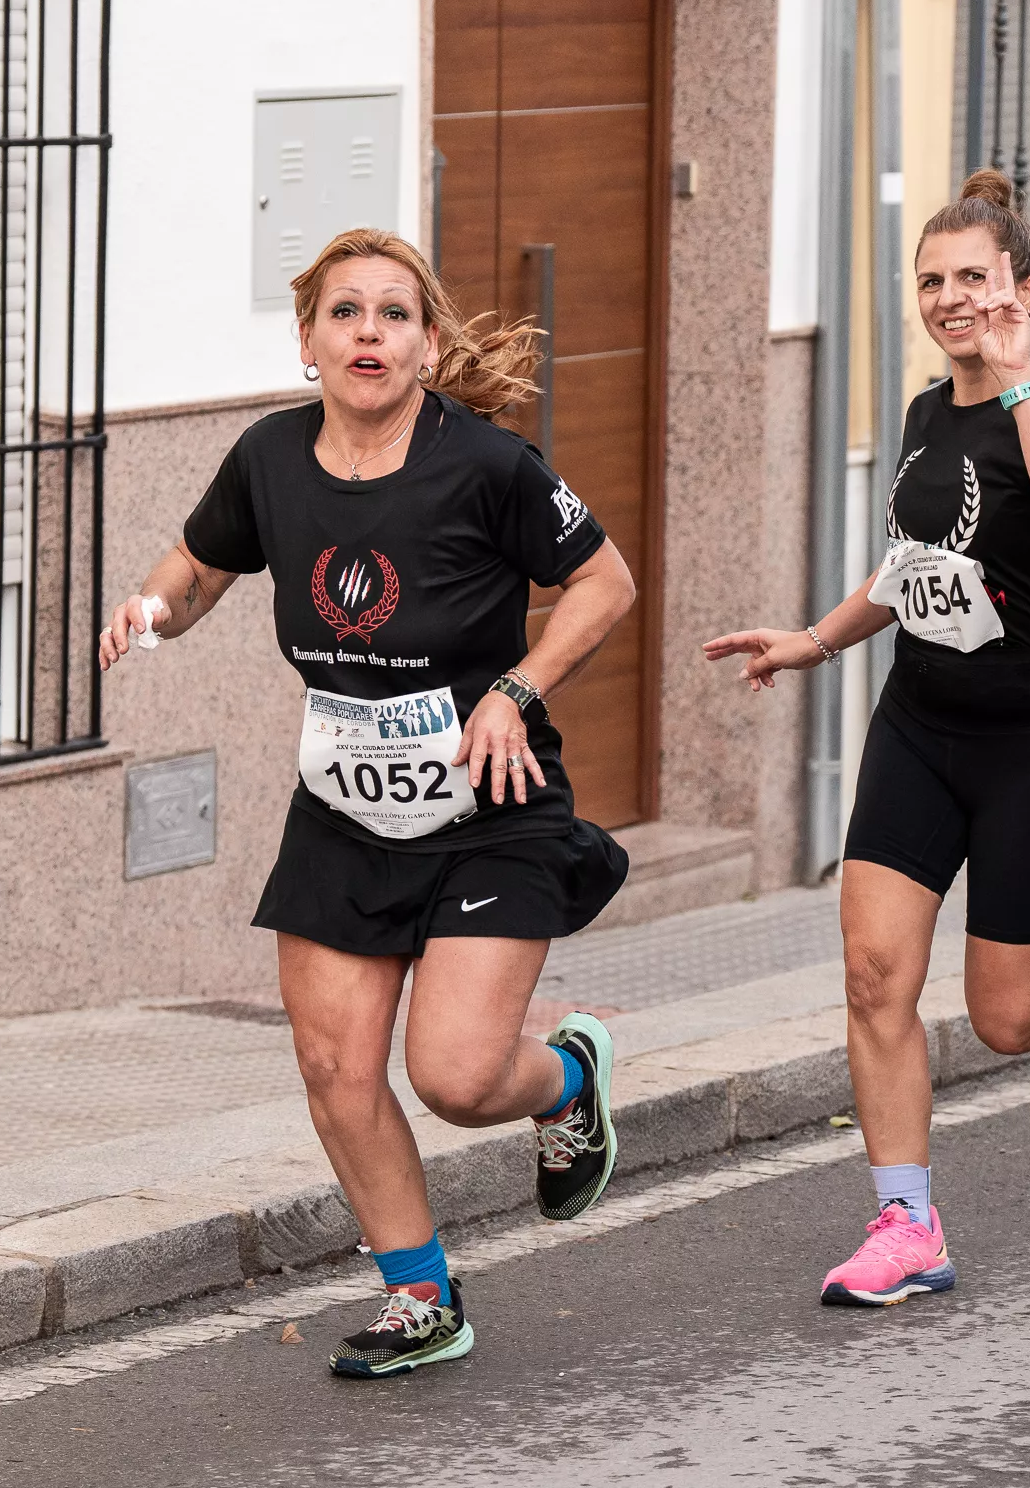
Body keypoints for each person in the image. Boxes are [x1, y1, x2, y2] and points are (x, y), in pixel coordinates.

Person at [96, 228, 641, 1380]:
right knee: (337, 1068)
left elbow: (606, 580)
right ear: (308, 339)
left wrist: (514, 687)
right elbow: (196, 567)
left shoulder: (488, 465)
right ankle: (421, 1297)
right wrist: (148, 611)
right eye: (345, 312)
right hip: (346, 810)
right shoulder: (270, 460)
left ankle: (571, 1079)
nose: (369, 333)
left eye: (394, 314)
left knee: (455, 1072)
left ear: (427, 345)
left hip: (490, 802)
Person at [702, 170, 1030, 1308]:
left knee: (1006, 1017)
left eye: (974, 277)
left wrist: (1020, 374)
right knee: (876, 972)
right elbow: (915, 568)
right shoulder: (928, 414)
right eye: (931, 281)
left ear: (1023, 287)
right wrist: (817, 639)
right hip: (921, 725)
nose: (950, 298)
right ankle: (908, 1218)